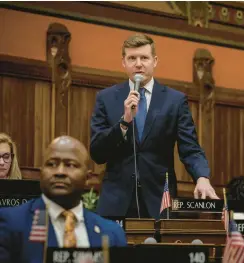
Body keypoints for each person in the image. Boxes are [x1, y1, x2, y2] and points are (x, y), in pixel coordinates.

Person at [90, 33, 218, 219]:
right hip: (116, 203)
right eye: (132, 58)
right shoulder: (106, 98)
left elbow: (190, 149)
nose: (138, 63)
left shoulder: (174, 101)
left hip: (159, 200)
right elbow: (97, 153)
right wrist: (124, 122)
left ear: (155, 61)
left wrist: (202, 177)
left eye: (144, 58)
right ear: (123, 62)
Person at [0, 136, 127, 263]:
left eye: (70, 165)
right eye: (52, 164)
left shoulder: (111, 234)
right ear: (41, 172)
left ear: (87, 178)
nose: (60, 172)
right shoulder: (12, 223)